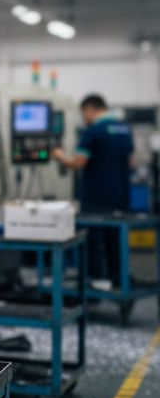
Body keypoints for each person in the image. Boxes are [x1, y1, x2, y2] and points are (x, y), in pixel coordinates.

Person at [52, 94, 135, 288]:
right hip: (121, 196)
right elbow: (131, 162)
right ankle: (118, 279)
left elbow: (77, 163)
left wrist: (59, 155)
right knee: (116, 239)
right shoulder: (125, 129)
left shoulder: (93, 131)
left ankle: (95, 280)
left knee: (92, 240)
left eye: (83, 113)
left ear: (90, 109)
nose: (84, 117)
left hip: (96, 198)